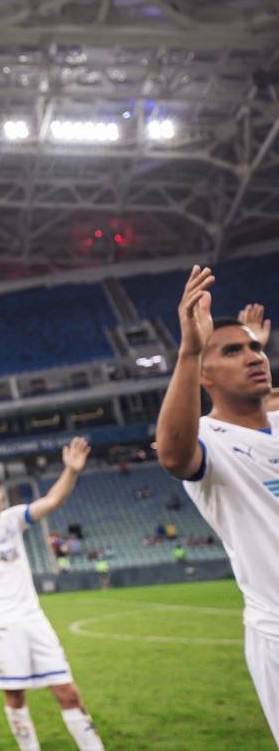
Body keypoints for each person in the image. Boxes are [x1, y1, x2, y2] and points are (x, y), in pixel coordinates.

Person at [156, 275, 278, 740]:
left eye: (256, 349)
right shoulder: (208, 440)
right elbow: (173, 454)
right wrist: (190, 351)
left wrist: (245, 347)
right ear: (203, 375)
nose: (253, 357)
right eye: (232, 352)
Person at [0, 440, 105, 750]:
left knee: (67, 691)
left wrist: (71, 472)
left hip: (33, 618)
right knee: (15, 696)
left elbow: (52, 500)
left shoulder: (13, 519)